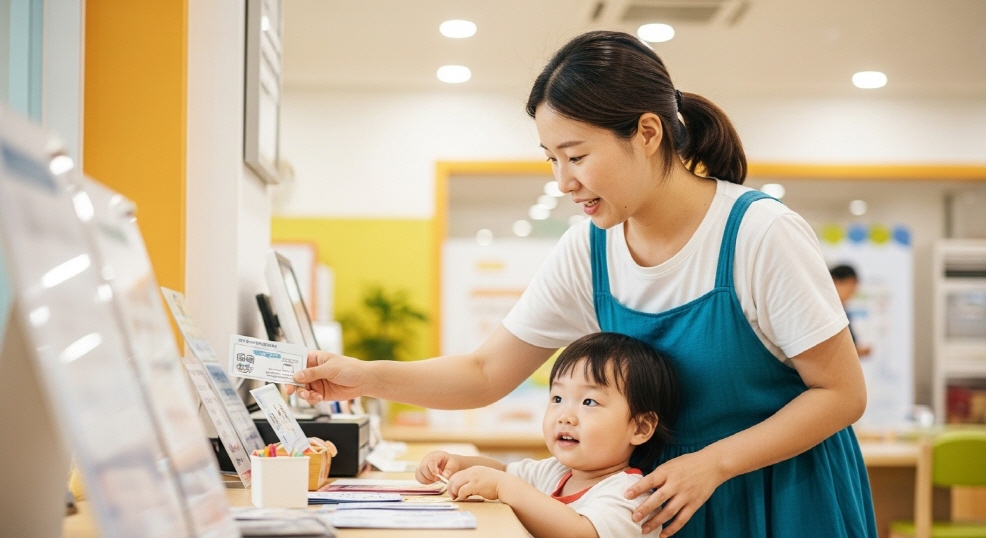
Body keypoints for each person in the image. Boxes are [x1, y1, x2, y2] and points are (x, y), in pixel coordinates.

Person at [288, 30, 876, 537]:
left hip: (781, 497)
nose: (564, 182)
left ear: (647, 132)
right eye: (551, 159)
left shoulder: (759, 234)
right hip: (655, 506)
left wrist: (715, 464)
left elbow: (841, 394)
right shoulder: (588, 250)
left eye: (577, 155)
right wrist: (361, 376)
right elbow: (485, 372)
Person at [416, 332, 679, 537]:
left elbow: (579, 532)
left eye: (589, 402)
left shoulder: (630, 494)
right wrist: (459, 464)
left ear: (641, 428)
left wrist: (503, 486)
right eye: (558, 397)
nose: (565, 415)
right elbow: (504, 471)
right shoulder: (555, 473)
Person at [830, 264, 872, 358]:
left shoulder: (844, 311)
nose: (853, 291)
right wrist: (857, 351)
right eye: (851, 285)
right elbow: (832, 350)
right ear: (835, 282)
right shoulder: (829, 313)